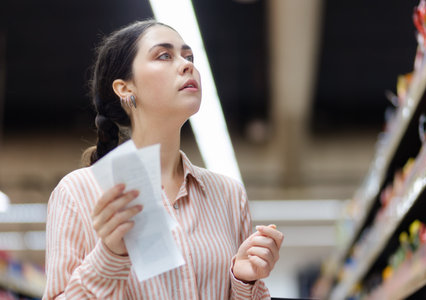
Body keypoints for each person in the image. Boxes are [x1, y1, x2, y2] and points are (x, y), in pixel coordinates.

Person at [44, 19, 283, 299]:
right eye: (164, 55)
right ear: (124, 88)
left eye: (188, 56)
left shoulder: (229, 195)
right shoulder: (78, 193)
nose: (186, 64)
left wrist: (244, 280)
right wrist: (109, 255)